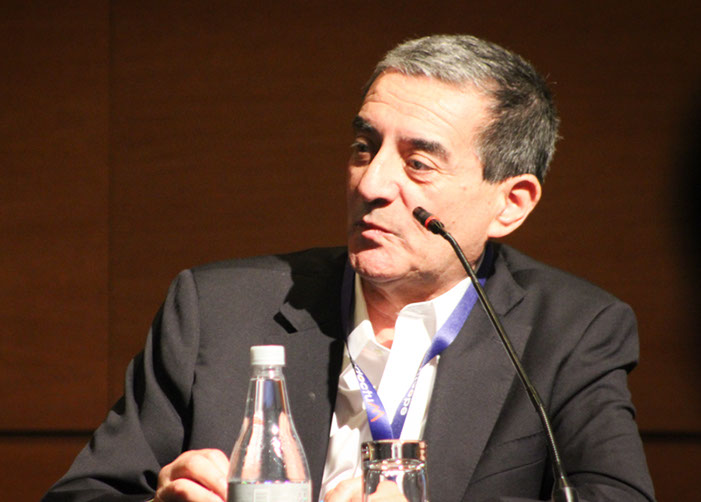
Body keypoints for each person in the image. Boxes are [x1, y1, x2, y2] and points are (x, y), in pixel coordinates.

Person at [43, 34, 655, 502]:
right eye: (365, 148)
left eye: (419, 163)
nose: (372, 183)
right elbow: (83, 493)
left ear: (510, 204)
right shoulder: (215, 309)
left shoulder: (572, 331)